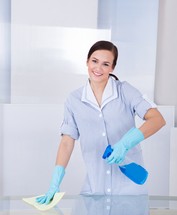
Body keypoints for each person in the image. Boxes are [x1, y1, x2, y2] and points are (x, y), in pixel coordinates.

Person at [36, 40, 166, 204]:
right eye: (94, 61)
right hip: (94, 186)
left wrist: (125, 144)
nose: (98, 68)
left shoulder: (125, 91)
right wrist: (55, 182)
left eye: (105, 64)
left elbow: (157, 119)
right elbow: (67, 142)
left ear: (112, 68)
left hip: (129, 187)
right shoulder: (74, 99)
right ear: (87, 61)